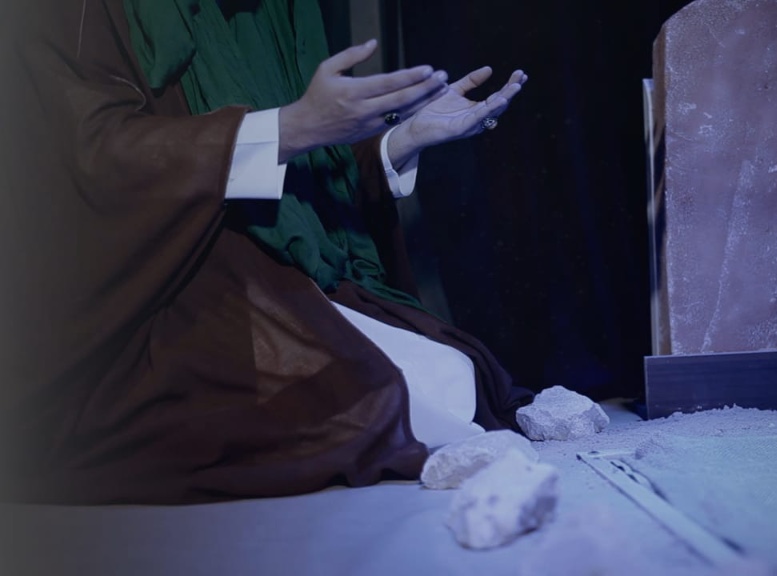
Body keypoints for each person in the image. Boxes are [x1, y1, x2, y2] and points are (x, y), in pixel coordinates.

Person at [0, 0, 533, 504]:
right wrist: (292, 127)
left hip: (272, 269)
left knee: (459, 373)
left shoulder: (269, 11)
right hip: (160, 290)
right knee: (371, 404)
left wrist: (404, 137)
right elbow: (88, 162)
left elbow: (308, 166)